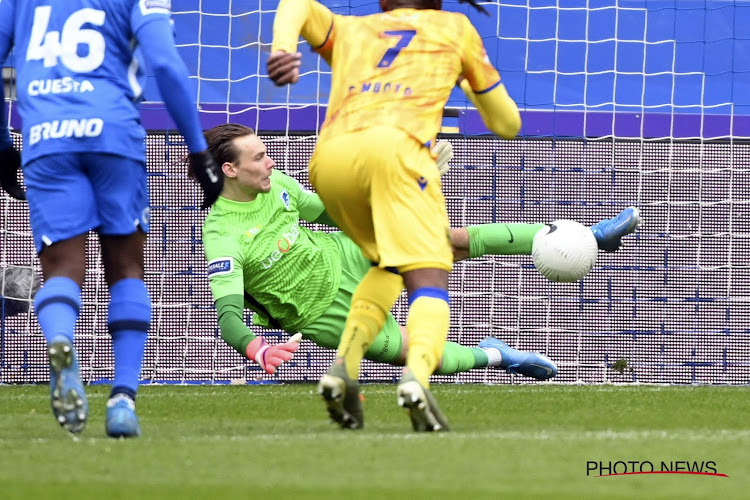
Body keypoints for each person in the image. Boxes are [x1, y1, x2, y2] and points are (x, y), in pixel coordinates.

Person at [199, 124, 641, 425]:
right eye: (259, 158)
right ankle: (497, 356)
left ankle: (591, 239)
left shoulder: (276, 185)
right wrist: (256, 347)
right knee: (416, 354)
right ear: (230, 170)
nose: (271, 162)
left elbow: (330, 214)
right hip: (322, 314)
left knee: (446, 238)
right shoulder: (222, 235)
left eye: (268, 153)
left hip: (345, 254)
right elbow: (228, 316)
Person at [266, 0, 541, 431]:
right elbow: (507, 124)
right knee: (429, 273)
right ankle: (416, 377)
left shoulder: (353, 29)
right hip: (396, 154)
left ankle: (344, 366)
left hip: (330, 160)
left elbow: (296, 2)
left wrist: (283, 47)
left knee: (386, 264)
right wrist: (470, 84)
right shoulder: (455, 28)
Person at [0, 0, 223, 438]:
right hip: (113, 133)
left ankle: (61, 344)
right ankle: (123, 401)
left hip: (46, 135)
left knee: (63, 269)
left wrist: (3, 149)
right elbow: (166, 63)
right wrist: (199, 150)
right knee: (126, 270)